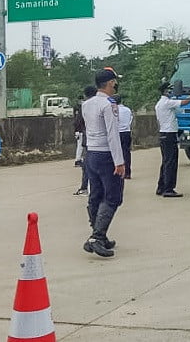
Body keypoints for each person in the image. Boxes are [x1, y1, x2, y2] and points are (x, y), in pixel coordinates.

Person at [81, 69, 126, 257]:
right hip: (107, 155)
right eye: (115, 82)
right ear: (109, 83)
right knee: (113, 196)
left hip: (91, 153)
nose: (116, 85)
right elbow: (112, 134)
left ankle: (99, 234)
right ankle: (97, 237)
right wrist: (120, 161)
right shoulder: (109, 105)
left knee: (96, 194)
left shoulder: (87, 104)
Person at [155, 82, 190, 198]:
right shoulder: (167, 103)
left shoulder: (159, 104)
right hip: (169, 134)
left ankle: (161, 187)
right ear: (166, 91)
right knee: (171, 162)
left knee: (166, 161)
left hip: (163, 133)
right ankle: (168, 188)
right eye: (169, 91)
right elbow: (185, 102)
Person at [74, 85, 97, 195]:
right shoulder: (103, 104)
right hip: (102, 141)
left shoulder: (84, 106)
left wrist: (78, 131)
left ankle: (84, 187)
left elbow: (78, 122)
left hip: (88, 139)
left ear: (85, 95)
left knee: (87, 164)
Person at [113, 95, 133, 179]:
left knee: (117, 153)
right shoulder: (127, 110)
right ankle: (127, 172)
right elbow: (131, 120)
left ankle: (118, 172)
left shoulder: (114, 111)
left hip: (117, 133)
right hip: (126, 132)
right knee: (126, 153)